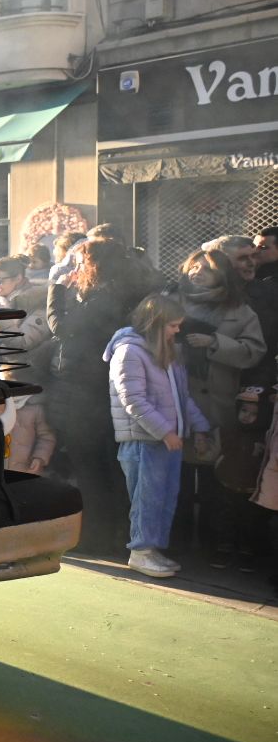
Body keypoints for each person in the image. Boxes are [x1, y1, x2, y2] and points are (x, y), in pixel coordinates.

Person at [105, 294, 213, 578]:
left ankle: (150, 550)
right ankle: (140, 552)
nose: (177, 331)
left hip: (165, 441)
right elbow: (133, 400)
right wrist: (165, 431)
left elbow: (182, 398)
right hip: (144, 442)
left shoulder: (167, 353)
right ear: (155, 323)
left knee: (163, 497)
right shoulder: (129, 352)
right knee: (146, 499)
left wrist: (199, 427)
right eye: (172, 325)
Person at [176, 248, 267, 568]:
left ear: (222, 274)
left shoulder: (241, 310)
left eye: (206, 268)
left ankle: (212, 545)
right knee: (179, 479)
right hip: (179, 403)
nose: (197, 272)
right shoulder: (173, 301)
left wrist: (215, 343)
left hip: (219, 405)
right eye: (194, 266)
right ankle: (178, 542)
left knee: (215, 481)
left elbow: (254, 351)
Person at [46, 239, 135, 555]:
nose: (77, 269)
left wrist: (56, 288)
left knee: (92, 470)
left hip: (88, 395)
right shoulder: (116, 294)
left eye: (81, 263)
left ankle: (98, 538)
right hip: (95, 393)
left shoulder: (103, 299)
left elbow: (61, 326)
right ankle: (108, 535)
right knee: (101, 469)